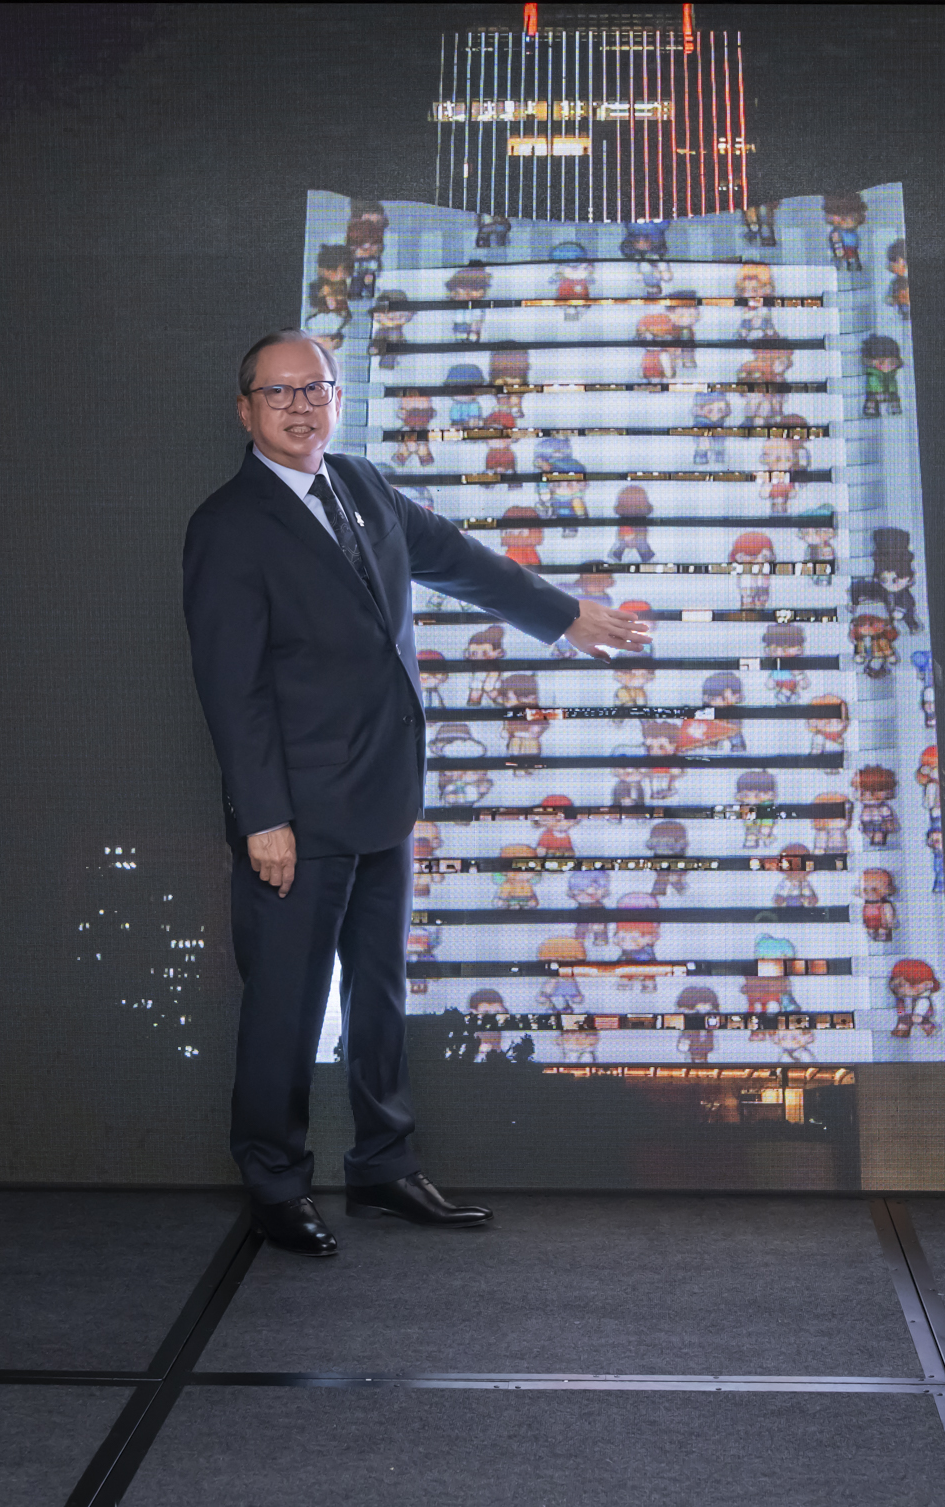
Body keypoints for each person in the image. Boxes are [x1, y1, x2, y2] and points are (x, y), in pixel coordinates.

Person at [182, 328, 647, 1257]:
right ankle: (276, 1184)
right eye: (280, 394)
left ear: (336, 398)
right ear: (246, 410)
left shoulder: (359, 485)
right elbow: (230, 692)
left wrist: (561, 617)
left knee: (382, 996)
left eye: (316, 389)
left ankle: (384, 1167)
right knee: (286, 1002)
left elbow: (460, 559)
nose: (302, 406)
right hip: (298, 815)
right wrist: (263, 818)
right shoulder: (227, 525)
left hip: (384, 799)